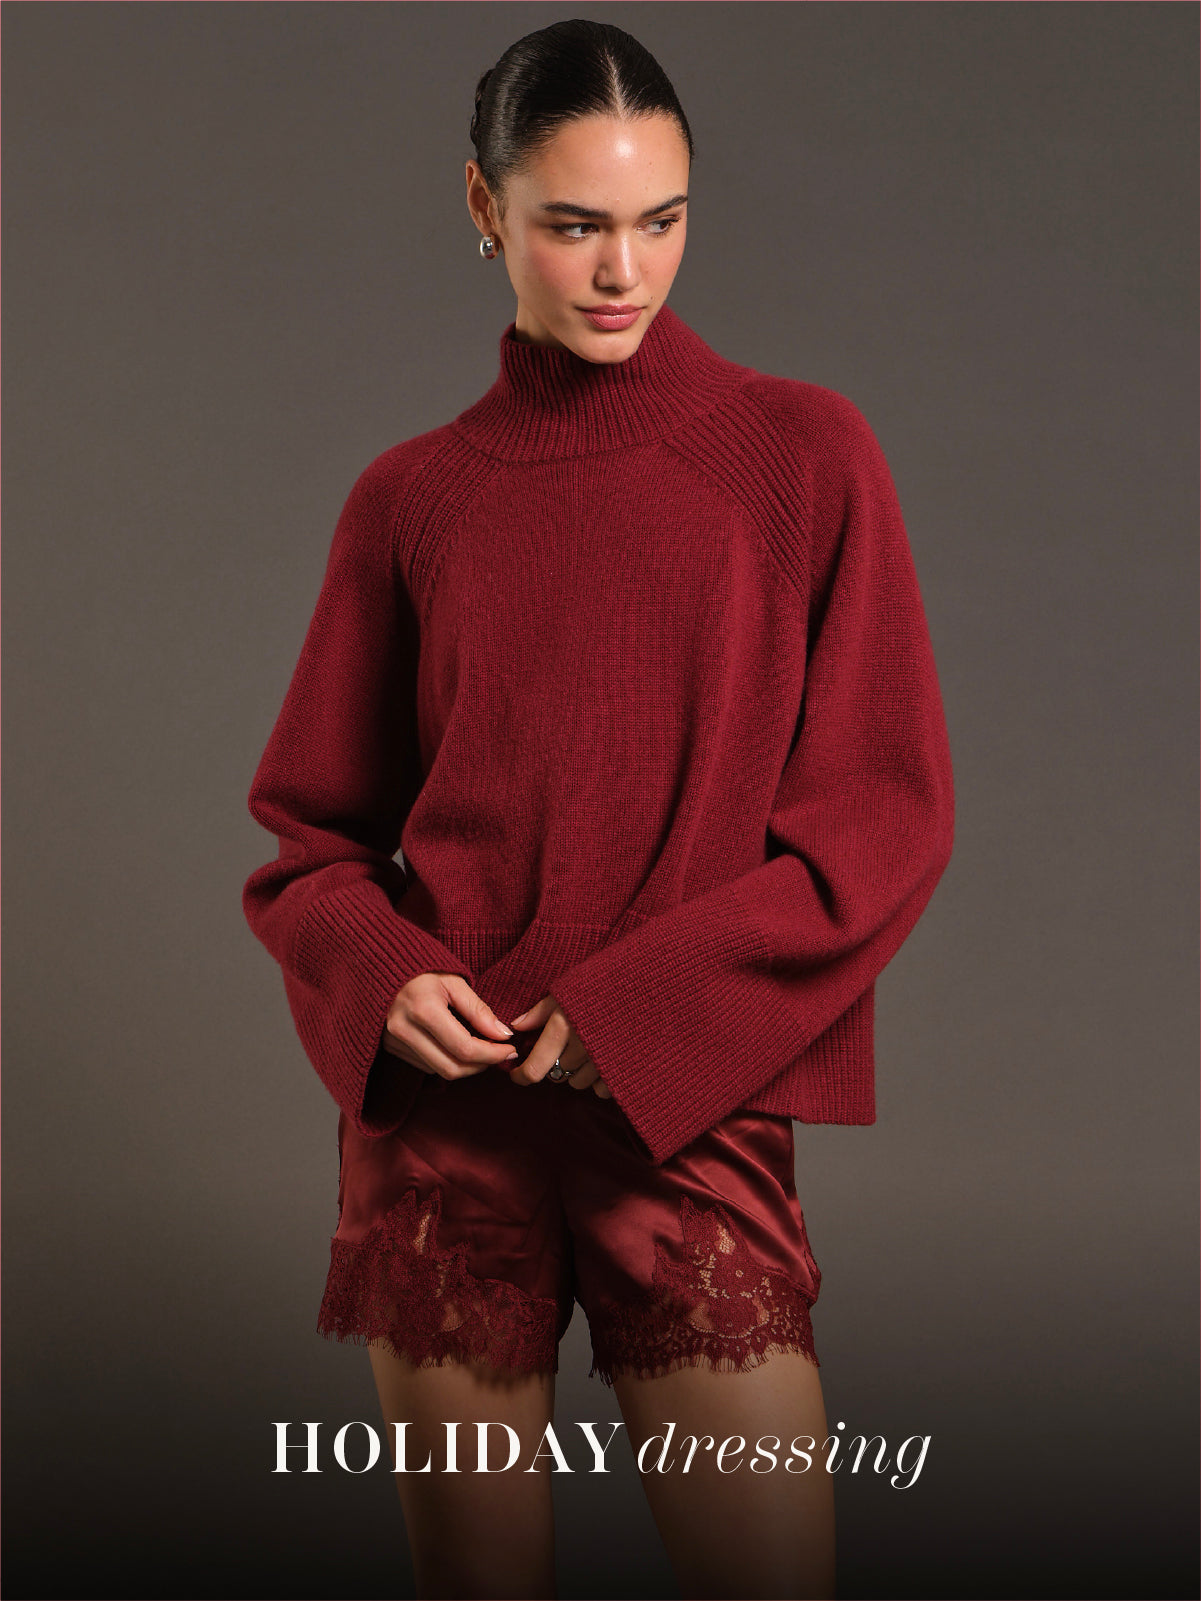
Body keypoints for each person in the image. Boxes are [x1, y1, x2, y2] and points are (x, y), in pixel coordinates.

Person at [242, 18, 954, 1600]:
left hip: (683, 1110)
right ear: (482, 208)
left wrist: (636, 1013)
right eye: (573, 224)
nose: (624, 270)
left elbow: (881, 823)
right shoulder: (410, 499)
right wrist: (381, 971)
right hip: (447, 1130)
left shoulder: (801, 456)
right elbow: (309, 843)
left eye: (661, 219)